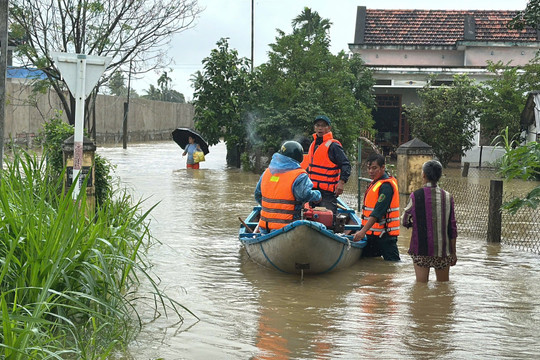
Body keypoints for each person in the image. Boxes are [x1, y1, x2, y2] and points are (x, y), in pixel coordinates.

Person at [401, 160, 458, 282]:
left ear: (424, 175)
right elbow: (452, 228)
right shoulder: (448, 197)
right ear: (439, 176)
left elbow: (404, 220)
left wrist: (413, 224)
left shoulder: (415, 196)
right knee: (443, 286)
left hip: (421, 250)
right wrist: (453, 253)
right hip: (443, 251)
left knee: (421, 286)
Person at [255, 141, 321, 233]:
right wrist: (317, 195)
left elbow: (258, 195)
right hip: (287, 227)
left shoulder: (267, 172)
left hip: (264, 227)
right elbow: (304, 195)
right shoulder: (299, 175)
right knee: (321, 227)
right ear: (299, 157)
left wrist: (272, 209)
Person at [353, 153, 400, 261]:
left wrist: (362, 232)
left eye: (374, 168)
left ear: (383, 167)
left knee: (392, 266)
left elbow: (377, 212)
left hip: (385, 237)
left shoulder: (386, 187)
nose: (370, 171)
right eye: (369, 168)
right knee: (368, 264)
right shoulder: (375, 184)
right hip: (372, 236)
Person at [305, 115, 351, 219]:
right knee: (310, 216)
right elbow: (311, 168)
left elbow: (346, 165)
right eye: (318, 125)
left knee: (327, 220)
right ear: (314, 128)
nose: (320, 128)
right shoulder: (313, 144)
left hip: (327, 193)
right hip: (312, 191)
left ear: (329, 128)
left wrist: (341, 182)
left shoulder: (333, 146)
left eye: (323, 126)